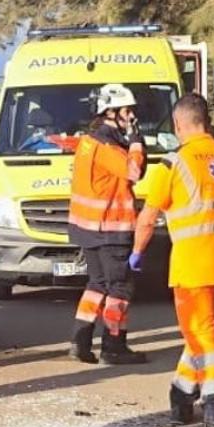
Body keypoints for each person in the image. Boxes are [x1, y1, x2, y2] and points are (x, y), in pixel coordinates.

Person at [130, 93, 214, 427]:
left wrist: (137, 253)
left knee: (202, 335)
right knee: (204, 332)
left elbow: (148, 217)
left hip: (196, 261)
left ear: (179, 125)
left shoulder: (173, 163)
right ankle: (182, 394)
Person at [65, 83, 148, 365]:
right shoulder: (108, 146)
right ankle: (114, 347)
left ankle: (80, 341)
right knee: (119, 288)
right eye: (127, 111)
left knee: (97, 284)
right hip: (110, 229)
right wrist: (137, 140)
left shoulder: (89, 142)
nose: (131, 116)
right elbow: (134, 171)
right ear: (110, 112)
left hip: (88, 229)